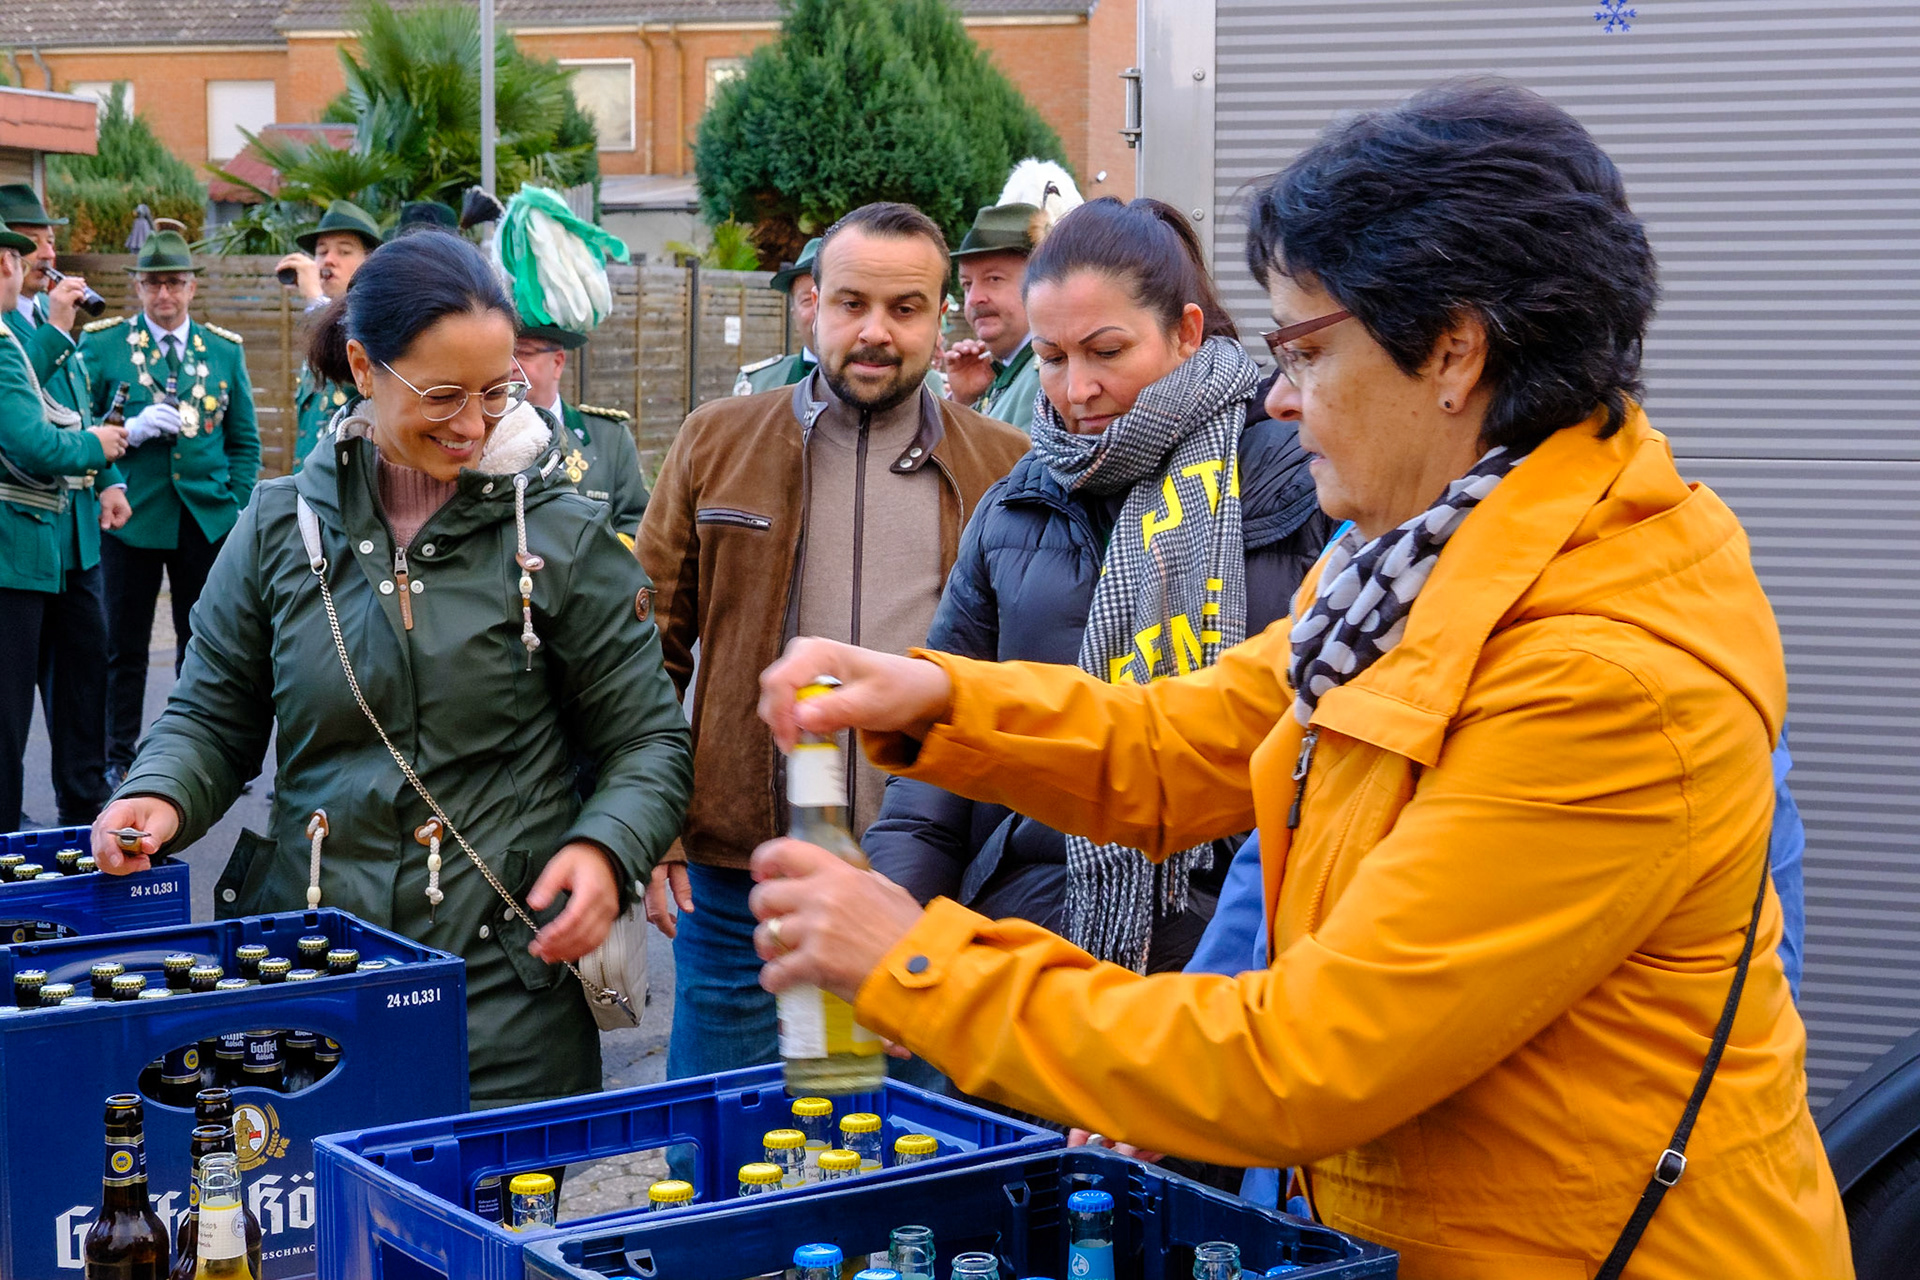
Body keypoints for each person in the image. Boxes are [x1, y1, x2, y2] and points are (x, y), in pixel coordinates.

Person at [748, 82, 1851, 1277]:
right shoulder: (1406, 567)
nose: (1276, 395)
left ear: (1453, 351)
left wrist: (913, 961)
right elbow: (1186, 741)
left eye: (1308, 350)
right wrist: (941, 703)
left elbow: (1308, 1057)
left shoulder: (1602, 673)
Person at [90, 229, 691, 1107]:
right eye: (442, 395)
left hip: (506, 994)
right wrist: (160, 792)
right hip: (311, 981)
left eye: (497, 391)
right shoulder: (276, 528)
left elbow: (647, 742)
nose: (474, 424)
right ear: (363, 368)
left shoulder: (562, 537)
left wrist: (605, 850)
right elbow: (211, 716)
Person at [865, 197, 1331, 976]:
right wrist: (894, 928)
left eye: (1106, 351)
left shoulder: (1304, 485)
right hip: (1029, 936)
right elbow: (934, 780)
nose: (1076, 388)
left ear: (1185, 331)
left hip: (1235, 950)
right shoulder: (1014, 505)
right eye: (1051, 358)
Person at [637, 201, 1029, 1081]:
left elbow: (1034, 675)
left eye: (905, 308)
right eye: (853, 303)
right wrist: (653, 826)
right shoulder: (716, 440)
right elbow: (645, 652)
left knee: (914, 1146)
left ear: (940, 317)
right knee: (719, 1144)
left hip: (927, 889)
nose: (875, 331)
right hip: (742, 886)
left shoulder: (1005, 466)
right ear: (813, 303)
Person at [80, 230, 259, 790]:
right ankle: (118, 756)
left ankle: (204, 754)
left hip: (205, 518)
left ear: (192, 287)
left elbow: (244, 441)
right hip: (130, 515)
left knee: (205, 644)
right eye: (154, 283)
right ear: (137, 286)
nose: (165, 294)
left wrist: (234, 506)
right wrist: (124, 436)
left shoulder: (222, 349)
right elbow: (78, 424)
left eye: (175, 282)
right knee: (123, 646)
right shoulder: (104, 345)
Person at [0, 183, 132, 827]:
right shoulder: (25, 325)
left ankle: (83, 808)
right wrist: (54, 328)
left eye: (49, 238)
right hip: (25, 527)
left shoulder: (48, 315)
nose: (47, 252)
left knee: (84, 678)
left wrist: (109, 478)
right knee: (12, 690)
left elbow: (75, 410)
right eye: (32, 241)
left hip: (73, 529)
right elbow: (23, 418)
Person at [513, 323, 649, 546]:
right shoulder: (481, 435)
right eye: (506, 354)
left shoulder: (609, 438)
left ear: (558, 363)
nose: (511, 366)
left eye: (524, 353)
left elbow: (637, 522)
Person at [278, 199, 382, 470]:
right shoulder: (318, 321)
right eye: (321, 252)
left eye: (344, 251)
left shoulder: (380, 319)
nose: (328, 261)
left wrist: (315, 299)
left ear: (370, 261)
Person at [940, 203, 1045, 431]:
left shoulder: (1045, 377)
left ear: (1041, 282)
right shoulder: (1010, 371)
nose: (973, 299)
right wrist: (965, 401)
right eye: (967, 284)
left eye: (994, 279)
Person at [735, 237, 822, 395]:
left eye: (842, 301)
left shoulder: (872, 382)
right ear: (794, 314)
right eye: (808, 300)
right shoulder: (757, 385)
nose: (821, 310)